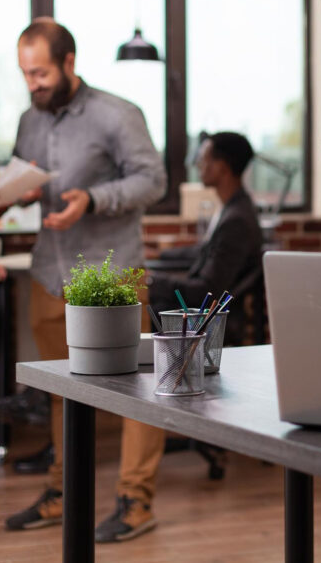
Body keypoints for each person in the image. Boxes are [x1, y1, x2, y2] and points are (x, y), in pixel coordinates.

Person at [1, 18, 166, 532]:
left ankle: (136, 501)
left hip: (111, 274)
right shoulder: (31, 118)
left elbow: (153, 180)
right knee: (60, 390)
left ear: (69, 62)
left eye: (42, 73)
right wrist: (18, 191)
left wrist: (93, 199)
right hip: (50, 270)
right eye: (27, 74)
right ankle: (63, 492)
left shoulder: (117, 114)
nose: (34, 84)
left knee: (135, 389)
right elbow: (25, 171)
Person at [94, 130, 263, 543]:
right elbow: (204, 260)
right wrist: (159, 262)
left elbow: (207, 287)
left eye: (203, 159)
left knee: (130, 327)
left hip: (207, 326)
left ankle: (136, 489)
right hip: (199, 312)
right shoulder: (231, 210)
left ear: (221, 166)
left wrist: (150, 279)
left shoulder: (238, 219)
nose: (198, 165)